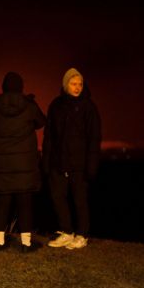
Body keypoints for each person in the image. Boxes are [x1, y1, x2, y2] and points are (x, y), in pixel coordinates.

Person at [0, 72, 46, 253]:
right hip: (24, 165)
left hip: (2, 166)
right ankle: (25, 244)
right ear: (21, 87)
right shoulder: (29, 105)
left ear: (3, 87)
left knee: (2, 202)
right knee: (25, 203)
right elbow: (42, 122)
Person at [43, 68, 102, 249]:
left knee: (79, 199)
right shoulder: (56, 105)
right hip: (58, 162)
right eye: (73, 83)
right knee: (57, 196)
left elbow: (94, 138)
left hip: (80, 163)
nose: (77, 87)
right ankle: (67, 232)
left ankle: (82, 235)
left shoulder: (89, 107)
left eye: (80, 84)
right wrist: (46, 161)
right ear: (65, 84)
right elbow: (49, 136)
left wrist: (91, 165)